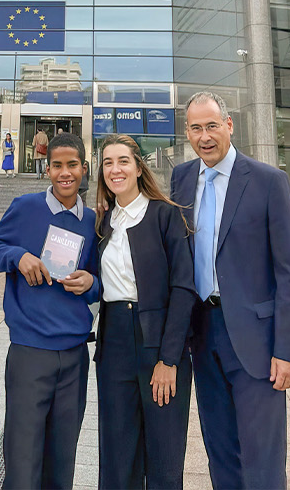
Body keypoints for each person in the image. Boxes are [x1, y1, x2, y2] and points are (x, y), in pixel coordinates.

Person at [171, 92, 290, 489]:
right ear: (187, 133)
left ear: (229, 125)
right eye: (196, 128)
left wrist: (289, 350)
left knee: (262, 457)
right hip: (202, 333)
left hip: (257, 341)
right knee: (220, 450)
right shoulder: (181, 178)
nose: (205, 136)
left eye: (212, 125)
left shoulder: (268, 181)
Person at [0, 132, 100, 490]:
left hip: (75, 353)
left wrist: (90, 284)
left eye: (73, 165)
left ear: (84, 168)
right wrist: (18, 256)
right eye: (58, 165)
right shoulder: (25, 206)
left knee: (62, 456)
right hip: (31, 350)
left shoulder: (92, 220)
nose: (66, 173)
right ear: (47, 169)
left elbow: (101, 279)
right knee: (22, 455)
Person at [91, 135, 196, 489]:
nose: (115, 169)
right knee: (117, 451)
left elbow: (184, 288)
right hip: (114, 342)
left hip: (158, 341)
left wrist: (169, 360)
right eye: (108, 162)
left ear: (138, 167)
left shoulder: (165, 215)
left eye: (122, 161)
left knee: (164, 454)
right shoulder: (104, 222)